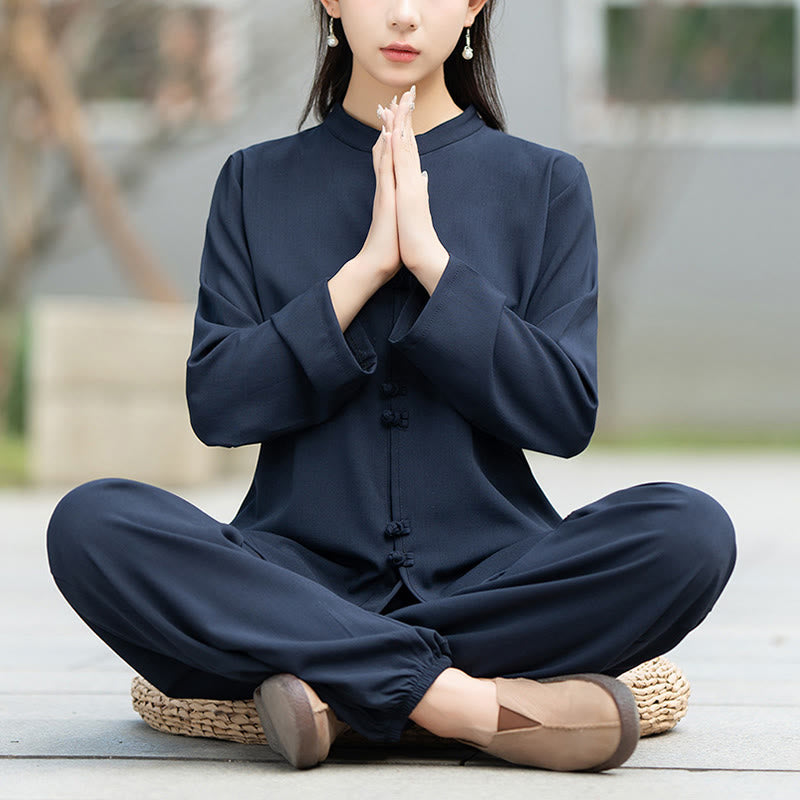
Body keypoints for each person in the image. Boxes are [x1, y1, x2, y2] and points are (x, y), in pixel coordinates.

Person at [46, 0, 736, 773]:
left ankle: (333, 687)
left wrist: (435, 267)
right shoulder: (255, 181)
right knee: (90, 522)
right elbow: (219, 404)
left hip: (495, 576)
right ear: (332, 2)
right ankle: (467, 705)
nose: (404, 15)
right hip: (294, 575)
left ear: (475, 4)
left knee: (690, 531)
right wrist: (364, 271)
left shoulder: (545, 183)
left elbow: (564, 413)